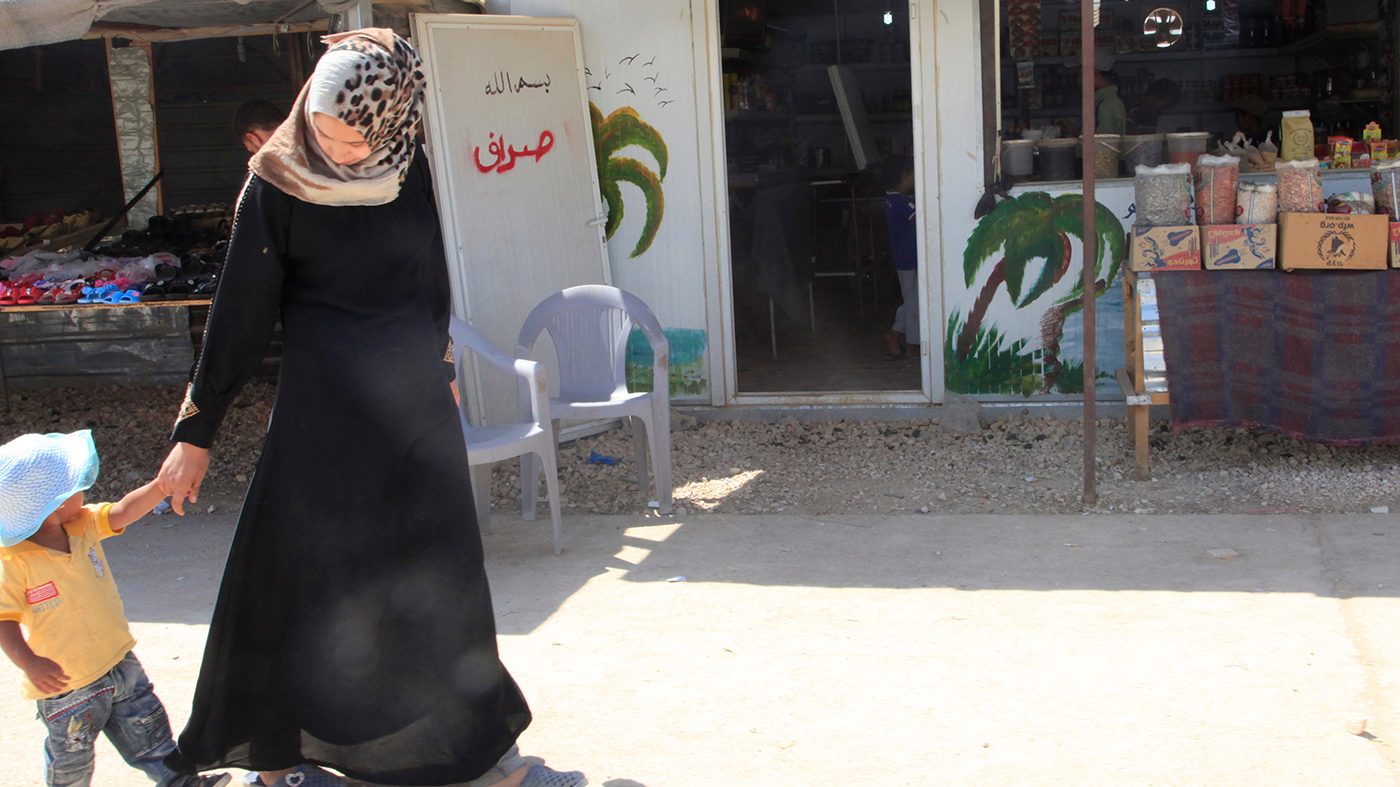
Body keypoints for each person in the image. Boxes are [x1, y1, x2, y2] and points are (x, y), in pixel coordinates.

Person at [156, 29, 585, 787]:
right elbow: (239, 316)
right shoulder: (277, 181)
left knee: (441, 574)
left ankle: (470, 752)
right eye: (319, 127)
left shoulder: (403, 165)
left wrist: (439, 358)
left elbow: (429, 268)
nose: (331, 148)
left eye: (350, 135)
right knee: (303, 579)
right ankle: (278, 758)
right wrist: (198, 430)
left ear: (389, 122)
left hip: (414, 408)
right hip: (324, 415)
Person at [0, 430, 232, 787]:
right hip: (66, 687)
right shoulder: (14, 562)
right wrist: (29, 662)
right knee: (71, 767)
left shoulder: (82, 525)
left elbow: (123, 511)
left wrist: (160, 487)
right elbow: (3, 620)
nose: (85, 493)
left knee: (154, 739)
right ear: (54, 504)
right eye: (77, 488)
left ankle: (184, 783)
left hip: (120, 664)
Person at [883, 154, 918, 359]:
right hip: (908, 258)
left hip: (905, 257)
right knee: (914, 304)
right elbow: (919, 214)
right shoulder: (900, 201)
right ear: (905, 176)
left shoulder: (891, 197)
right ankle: (912, 344)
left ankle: (894, 335)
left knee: (912, 299)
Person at [1057, 50, 1126, 136]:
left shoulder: (1105, 107)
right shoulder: (1109, 101)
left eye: (1081, 75)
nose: (1079, 81)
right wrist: (1074, 130)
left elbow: (1102, 147)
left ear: (1095, 74)